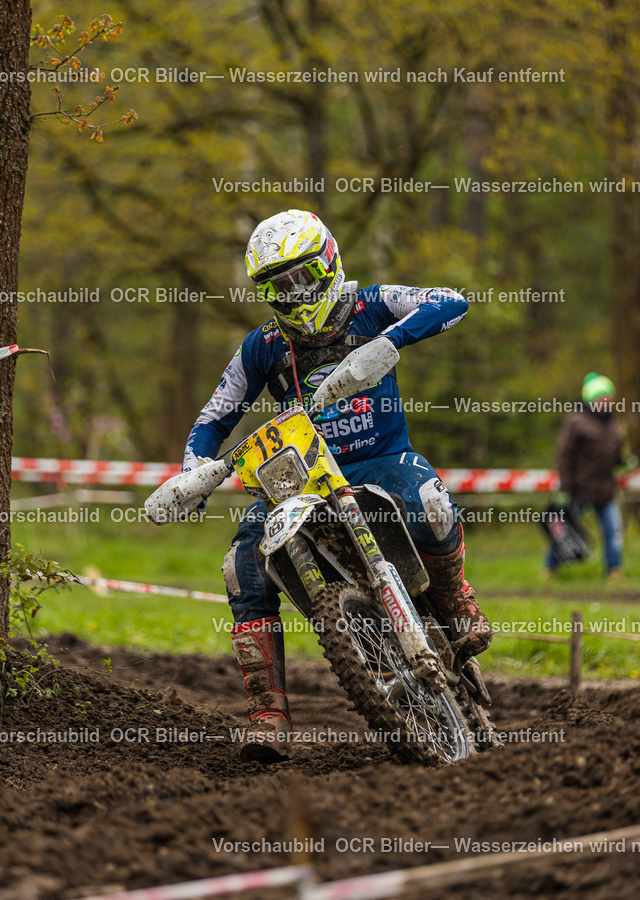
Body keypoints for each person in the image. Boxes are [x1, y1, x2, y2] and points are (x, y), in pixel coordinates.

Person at [183, 209, 491, 761]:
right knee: (241, 565)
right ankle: (268, 712)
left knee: (429, 501)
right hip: (302, 482)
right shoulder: (264, 345)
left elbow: (451, 300)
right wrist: (193, 473)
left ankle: (454, 598)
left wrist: (389, 342)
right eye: (277, 286)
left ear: (327, 263)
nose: (292, 293)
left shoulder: (371, 304)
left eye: (301, 277)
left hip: (380, 461)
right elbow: (213, 417)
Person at [545, 372, 624, 578]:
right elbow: (564, 455)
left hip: (605, 490)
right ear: (591, 398)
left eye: (609, 396)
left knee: (613, 532)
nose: (607, 400)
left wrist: (623, 461)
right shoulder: (575, 421)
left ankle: (614, 571)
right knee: (565, 532)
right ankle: (549, 568)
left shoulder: (612, 423)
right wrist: (564, 487)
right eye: (602, 396)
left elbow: (614, 453)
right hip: (578, 489)